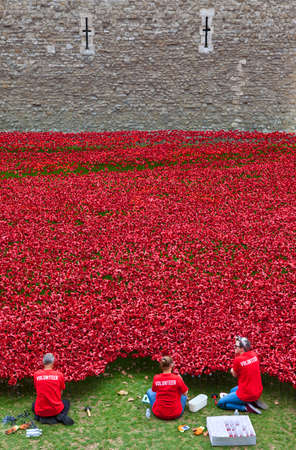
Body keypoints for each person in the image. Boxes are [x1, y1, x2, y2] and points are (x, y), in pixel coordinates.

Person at [217, 336, 264, 414]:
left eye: (236, 346)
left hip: (246, 393)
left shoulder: (238, 360)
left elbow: (234, 374)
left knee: (221, 403)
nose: (234, 347)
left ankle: (246, 407)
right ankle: (252, 401)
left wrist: (232, 370)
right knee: (232, 390)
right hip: (257, 390)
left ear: (242, 348)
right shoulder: (254, 354)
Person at [32, 353, 74, 425]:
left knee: (34, 404)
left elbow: (37, 390)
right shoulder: (59, 375)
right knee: (66, 402)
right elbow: (61, 391)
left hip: (41, 410)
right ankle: (59, 416)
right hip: (55, 409)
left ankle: (40, 417)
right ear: (52, 362)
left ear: (43, 362)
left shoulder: (36, 375)